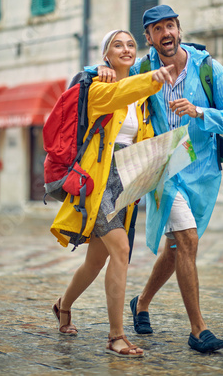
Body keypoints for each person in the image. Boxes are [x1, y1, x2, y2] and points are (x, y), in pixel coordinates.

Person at [95, 5, 223, 353]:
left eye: (171, 26)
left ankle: (142, 302)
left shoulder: (208, 69)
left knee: (176, 247)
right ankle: (198, 330)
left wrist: (199, 111)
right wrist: (101, 68)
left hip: (203, 170)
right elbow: (105, 72)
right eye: (157, 29)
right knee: (188, 239)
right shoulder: (144, 68)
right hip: (163, 168)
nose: (166, 34)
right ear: (148, 37)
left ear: (179, 29)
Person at [50, 29, 173, 358]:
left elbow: (141, 140)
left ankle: (63, 305)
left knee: (96, 261)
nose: (127, 49)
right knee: (121, 249)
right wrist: (153, 78)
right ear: (106, 54)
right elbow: (122, 93)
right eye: (117, 45)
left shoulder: (142, 99)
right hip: (99, 183)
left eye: (131, 44)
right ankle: (116, 336)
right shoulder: (99, 87)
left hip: (127, 182)